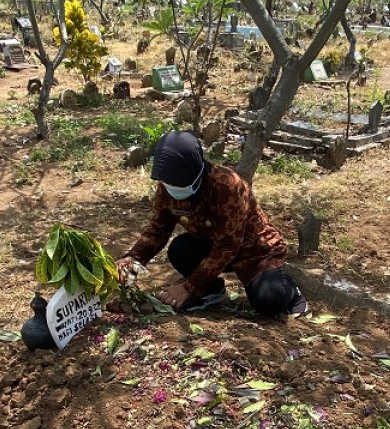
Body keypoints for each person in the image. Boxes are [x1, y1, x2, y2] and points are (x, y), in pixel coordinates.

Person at [117, 131, 308, 316]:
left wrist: (187, 286)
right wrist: (133, 259)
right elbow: (158, 228)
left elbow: (228, 246)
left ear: (196, 173)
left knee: (269, 300)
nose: (173, 190)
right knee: (179, 249)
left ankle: (288, 289)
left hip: (254, 250)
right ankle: (211, 290)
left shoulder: (228, 186)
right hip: (211, 246)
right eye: (168, 184)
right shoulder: (167, 186)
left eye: (180, 185)